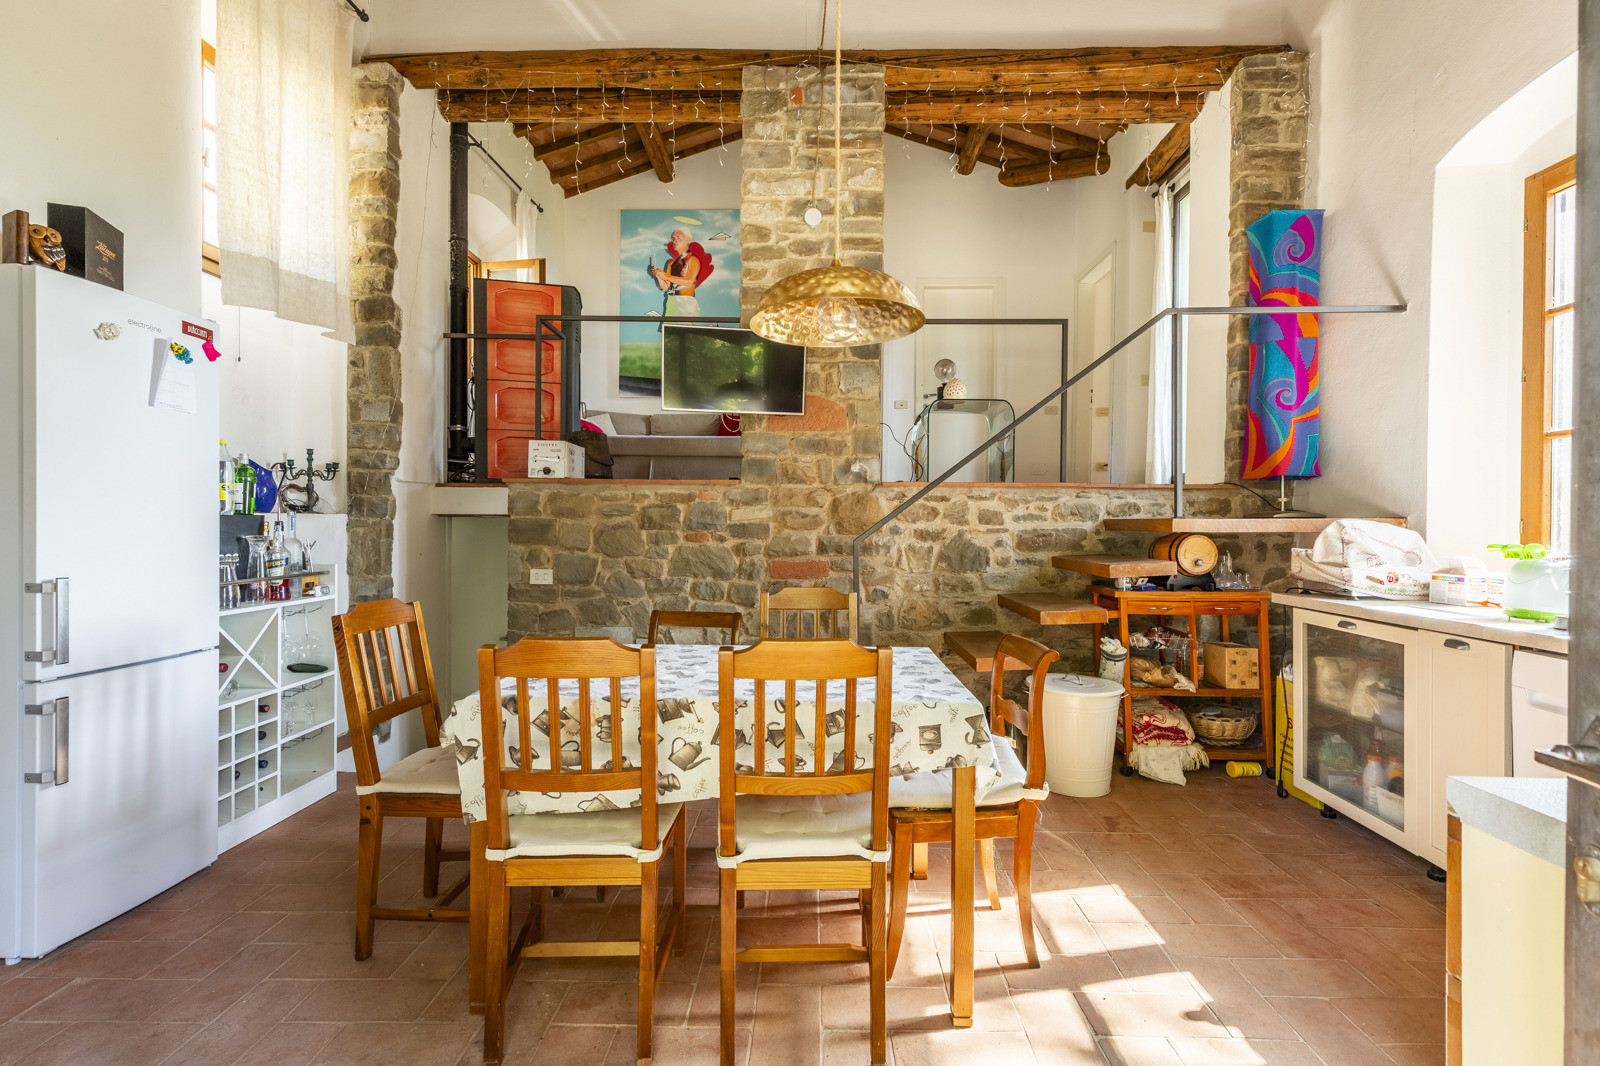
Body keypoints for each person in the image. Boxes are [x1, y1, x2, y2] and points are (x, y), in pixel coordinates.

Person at [649, 227, 713, 321]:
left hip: (686, 302)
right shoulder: (671, 263)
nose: (675, 241)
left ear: (687, 239)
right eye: (673, 238)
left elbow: (690, 282)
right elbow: (666, 286)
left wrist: (665, 276)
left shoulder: (693, 260)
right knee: (669, 329)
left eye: (678, 238)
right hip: (671, 301)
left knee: (684, 329)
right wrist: (658, 276)